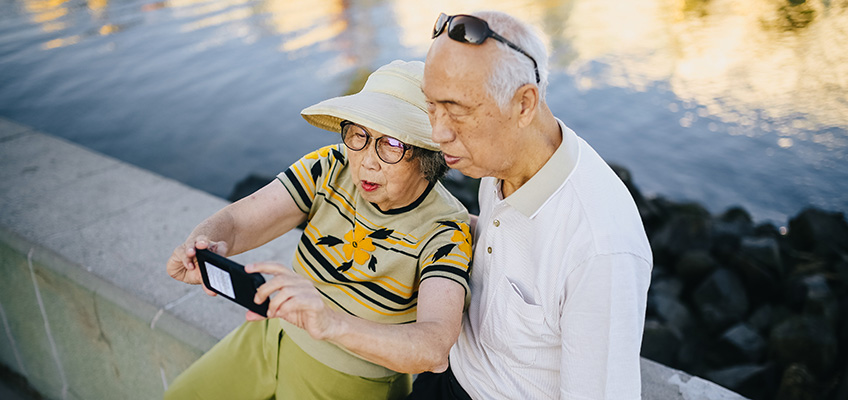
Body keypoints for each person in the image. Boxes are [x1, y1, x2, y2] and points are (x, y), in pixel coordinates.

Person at [164, 60, 472, 400]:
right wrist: (203, 243)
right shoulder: (332, 166)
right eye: (359, 135)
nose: (367, 160)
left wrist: (329, 322)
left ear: (428, 155)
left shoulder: (446, 230)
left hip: (350, 384)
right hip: (269, 336)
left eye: (391, 145)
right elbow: (238, 223)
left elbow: (432, 347)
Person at [411, 11, 653, 399]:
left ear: (524, 104)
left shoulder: (599, 249)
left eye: (456, 109)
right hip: (448, 376)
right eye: (432, 106)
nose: (438, 131)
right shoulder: (497, 159)